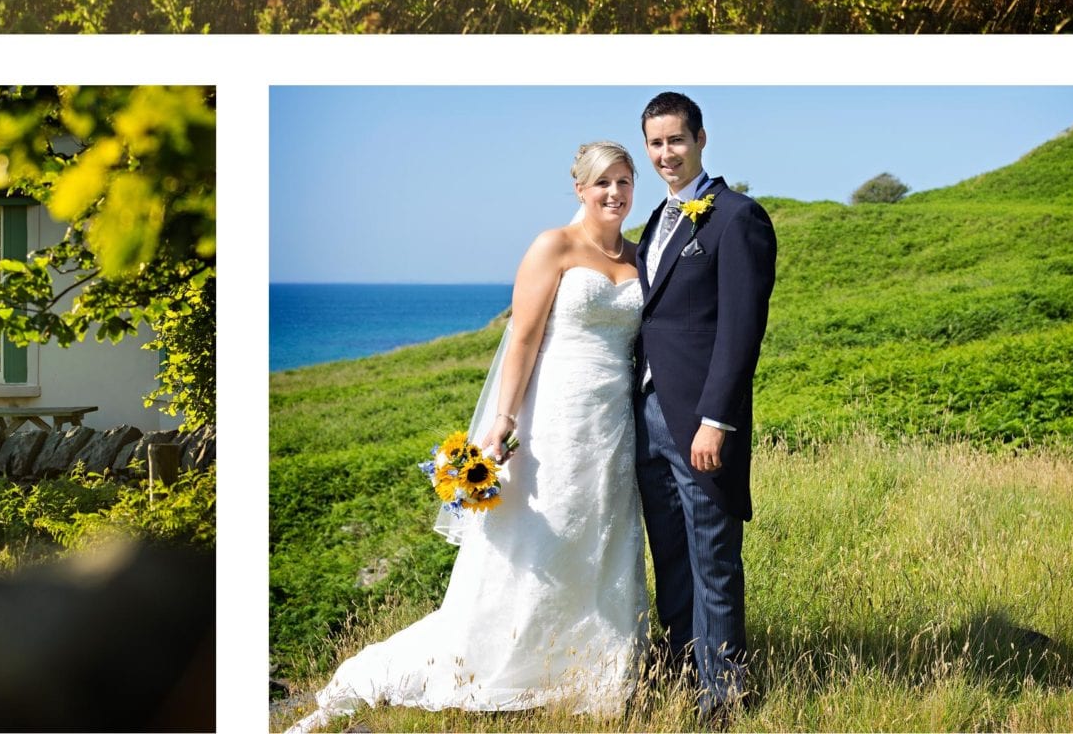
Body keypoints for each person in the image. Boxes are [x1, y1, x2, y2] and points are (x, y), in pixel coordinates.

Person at [289, 143, 647, 728]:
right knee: (539, 537)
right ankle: (505, 662)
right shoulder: (552, 246)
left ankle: (592, 672)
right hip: (551, 416)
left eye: (625, 181)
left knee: (601, 535)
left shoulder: (640, 257)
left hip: (612, 422)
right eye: (603, 182)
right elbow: (525, 338)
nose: (615, 193)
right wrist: (504, 420)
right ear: (580, 188)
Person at [636, 92, 777, 723]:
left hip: (698, 422)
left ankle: (727, 697)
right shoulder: (654, 222)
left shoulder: (736, 217)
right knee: (669, 555)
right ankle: (684, 669)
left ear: (700, 139)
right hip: (644, 418)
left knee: (712, 557)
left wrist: (716, 421)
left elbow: (740, 329)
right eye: (656, 143)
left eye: (676, 140)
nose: (667, 153)